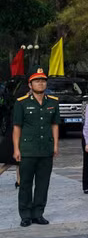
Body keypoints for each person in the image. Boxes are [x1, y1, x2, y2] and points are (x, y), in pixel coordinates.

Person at [13, 68, 60, 227]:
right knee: (25, 184)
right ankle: (25, 215)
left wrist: (55, 145)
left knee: (43, 183)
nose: (41, 83)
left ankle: (38, 213)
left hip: (46, 148)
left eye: (43, 81)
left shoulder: (53, 102)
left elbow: (54, 125)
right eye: (37, 81)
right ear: (30, 84)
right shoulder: (21, 102)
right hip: (28, 149)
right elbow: (17, 127)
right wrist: (16, 149)